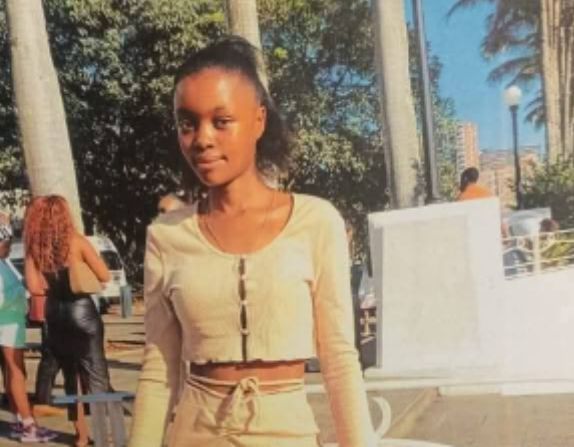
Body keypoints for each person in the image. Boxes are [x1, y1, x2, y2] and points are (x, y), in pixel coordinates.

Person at [129, 36, 376, 447]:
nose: (202, 138)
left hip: (289, 434)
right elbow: (159, 370)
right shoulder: (166, 236)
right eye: (187, 124)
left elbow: (338, 358)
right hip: (195, 434)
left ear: (258, 120)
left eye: (221, 121)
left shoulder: (316, 222)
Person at [24, 196, 112, 447]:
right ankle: (102, 435)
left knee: (71, 377)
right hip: (81, 311)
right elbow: (105, 275)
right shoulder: (77, 241)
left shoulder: (35, 247)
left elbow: (34, 288)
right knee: (95, 374)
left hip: (55, 313)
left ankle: (81, 436)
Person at [0, 213, 56, 443]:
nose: (9, 247)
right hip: (7, 322)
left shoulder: (4, 264)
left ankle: (18, 420)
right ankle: (28, 425)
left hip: (10, 321)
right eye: (6, 243)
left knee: (11, 371)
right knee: (17, 372)